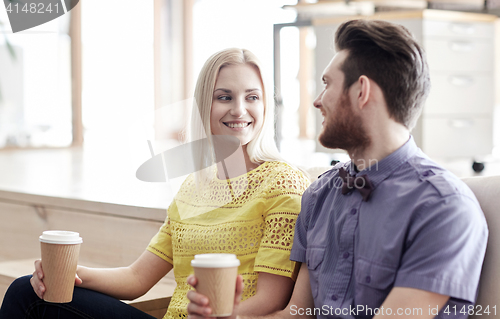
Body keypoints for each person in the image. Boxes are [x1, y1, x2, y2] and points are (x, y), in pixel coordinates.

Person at [186, 19, 488, 319]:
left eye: (327, 84)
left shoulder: (444, 208)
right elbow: (295, 316)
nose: (317, 101)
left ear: (361, 92)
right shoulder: (320, 193)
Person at [0, 48, 310, 319]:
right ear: (204, 105)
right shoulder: (194, 185)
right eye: (224, 97)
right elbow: (137, 278)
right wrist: (68, 274)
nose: (239, 109)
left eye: (252, 97)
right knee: (25, 291)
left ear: (265, 106)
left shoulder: (282, 183)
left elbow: (271, 299)